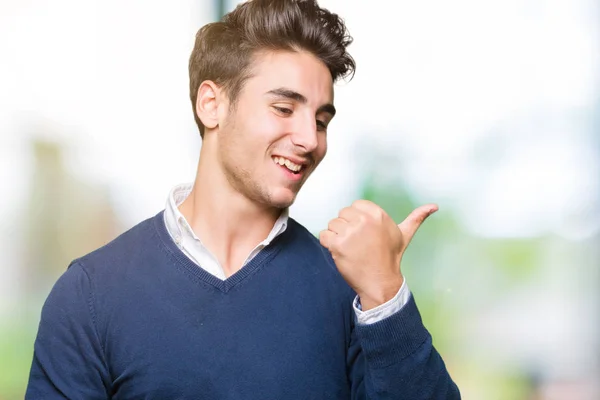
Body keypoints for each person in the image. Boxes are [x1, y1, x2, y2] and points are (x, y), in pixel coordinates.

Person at [26, 0, 460, 398]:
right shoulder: (90, 294)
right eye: (284, 109)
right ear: (211, 104)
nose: (310, 139)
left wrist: (386, 297)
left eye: (322, 120)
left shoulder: (352, 295)